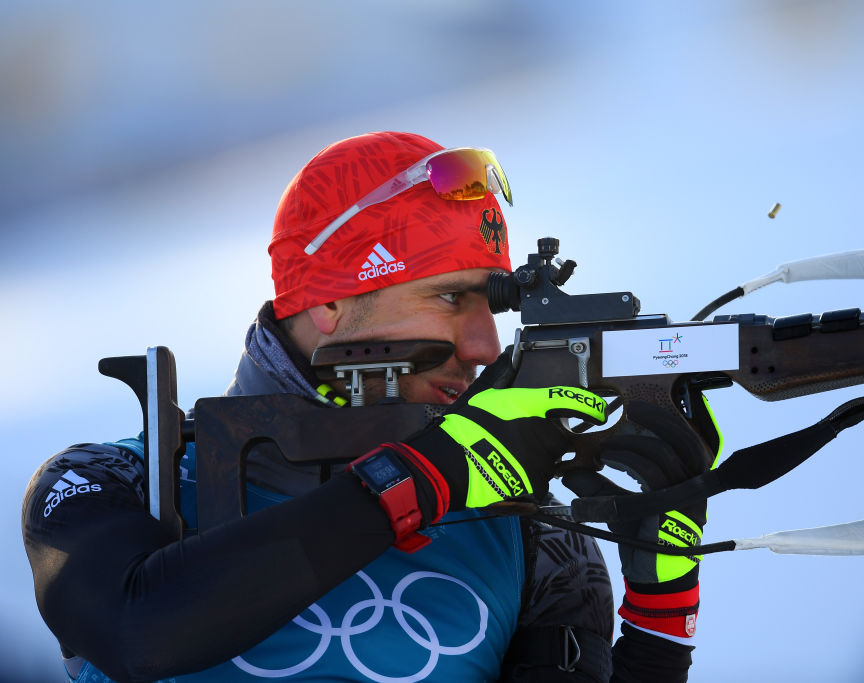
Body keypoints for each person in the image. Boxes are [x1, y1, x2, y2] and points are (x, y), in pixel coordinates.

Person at [23, 131, 720, 682]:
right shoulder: (110, 480)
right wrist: (424, 479)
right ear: (327, 302)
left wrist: (662, 604)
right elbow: (140, 630)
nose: (484, 344)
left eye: (496, 304)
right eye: (451, 297)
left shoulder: (532, 532)